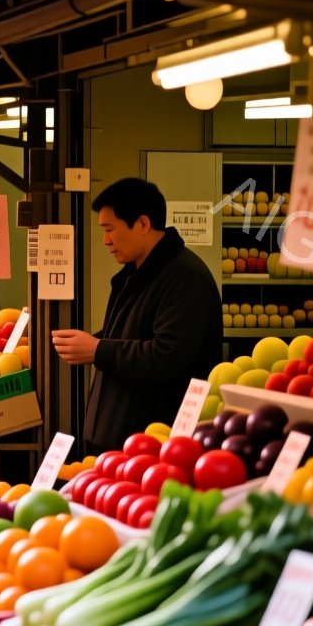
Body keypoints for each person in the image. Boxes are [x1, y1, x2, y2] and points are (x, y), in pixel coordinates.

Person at [53, 178, 222, 454]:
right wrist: (85, 343)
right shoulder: (139, 272)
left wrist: (98, 349)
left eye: (110, 229)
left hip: (150, 444)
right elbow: (131, 336)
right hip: (119, 440)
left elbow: (167, 355)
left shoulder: (184, 276)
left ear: (143, 224)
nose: (105, 240)